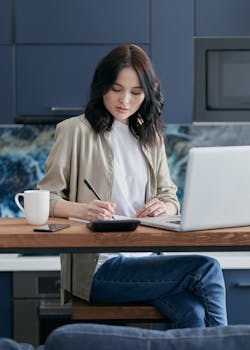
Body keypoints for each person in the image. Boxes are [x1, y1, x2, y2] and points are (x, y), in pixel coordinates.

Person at [38, 44, 227, 328]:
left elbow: (170, 196)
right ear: (102, 87)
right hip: (101, 269)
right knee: (205, 268)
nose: (124, 100)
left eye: (136, 92)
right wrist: (85, 209)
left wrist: (163, 205)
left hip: (146, 260)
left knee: (194, 315)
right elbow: (45, 198)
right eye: (116, 89)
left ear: (147, 94)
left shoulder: (151, 136)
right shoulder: (74, 131)